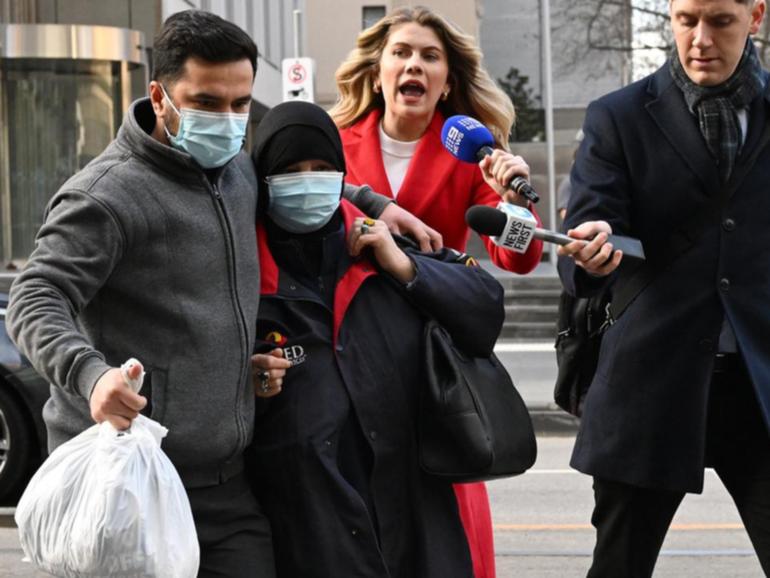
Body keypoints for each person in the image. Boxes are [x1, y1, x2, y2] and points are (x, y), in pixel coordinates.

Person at [5, 10, 436, 578]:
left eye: (240, 104)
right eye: (206, 103)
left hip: (226, 485)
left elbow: (295, 176)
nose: (228, 120)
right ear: (159, 97)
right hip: (132, 483)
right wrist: (92, 375)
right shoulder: (104, 196)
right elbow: (37, 296)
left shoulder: (233, 171)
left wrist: (378, 204)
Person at [247, 100, 504, 578]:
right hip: (310, 532)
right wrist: (251, 385)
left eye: (322, 168)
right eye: (290, 170)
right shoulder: (246, 279)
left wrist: (406, 267)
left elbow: (485, 310)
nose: (308, 181)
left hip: (415, 523)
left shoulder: (381, 248)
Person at [330, 7, 545, 576]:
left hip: (432, 363)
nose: (414, 66)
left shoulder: (472, 153)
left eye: (430, 57)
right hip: (346, 350)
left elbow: (516, 258)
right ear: (378, 70)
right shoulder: (333, 143)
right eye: (401, 53)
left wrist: (515, 202)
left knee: (444, 532)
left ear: (448, 79)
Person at [557, 0, 770, 576]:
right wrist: (596, 247)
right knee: (620, 566)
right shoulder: (617, 117)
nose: (700, 38)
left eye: (720, 21)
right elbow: (590, 226)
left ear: (756, 17)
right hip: (650, 384)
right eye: (686, 19)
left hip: (760, 385)